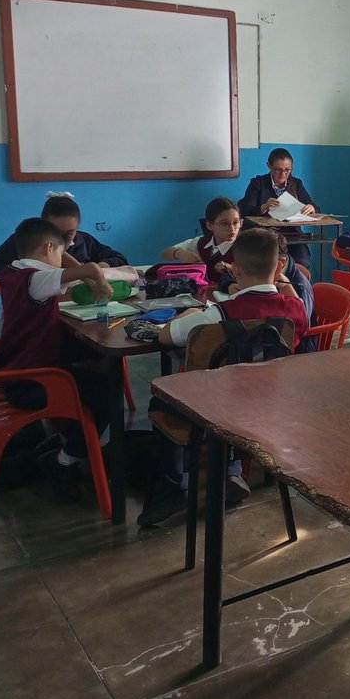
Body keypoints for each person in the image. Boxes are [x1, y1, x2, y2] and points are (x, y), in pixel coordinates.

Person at [140, 229, 309, 526]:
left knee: (161, 398)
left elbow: (166, 337)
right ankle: (230, 470)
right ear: (280, 266)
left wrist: (185, 316)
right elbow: (302, 319)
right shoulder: (294, 309)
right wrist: (284, 284)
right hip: (275, 406)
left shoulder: (217, 313)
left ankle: (173, 487)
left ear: (236, 269)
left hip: (217, 411)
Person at [0, 217, 115, 500]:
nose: (62, 259)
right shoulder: (38, 278)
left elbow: (66, 266)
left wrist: (64, 254)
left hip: (17, 371)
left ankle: (62, 441)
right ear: (48, 247)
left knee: (96, 378)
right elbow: (91, 267)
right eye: (59, 252)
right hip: (30, 381)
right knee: (108, 395)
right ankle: (64, 460)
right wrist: (99, 283)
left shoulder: (13, 271)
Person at [0, 194, 127, 283]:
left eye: (69, 233)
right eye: (55, 232)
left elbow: (118, 258)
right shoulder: (24, 240)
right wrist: (25, 270)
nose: (60, 240)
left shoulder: (85, 241)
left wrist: (100, 266)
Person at [218, 233, 316, 352]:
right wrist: (230, 285)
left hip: (294, 355)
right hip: (278, 359)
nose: (254, 267)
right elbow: (299, 314)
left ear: (281, 263)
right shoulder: (263, 272)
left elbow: (303, 326)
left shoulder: (300, 287)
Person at [238, 148, 317, 271]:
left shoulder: (296, 183)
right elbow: (245, 210)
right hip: (265, 234)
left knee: (302, 262)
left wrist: (311, 208)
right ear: (269, 166)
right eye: (278, 170)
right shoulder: (258, 183)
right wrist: (263, 207)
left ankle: (297, 288)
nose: (283, 174)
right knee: (269, 264)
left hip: (291, 234)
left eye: (287, 170)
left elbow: (315, 207)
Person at [160, 196, 241, 279]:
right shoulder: (202, 242)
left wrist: (231, 268)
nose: (232, 228)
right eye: (224, 224)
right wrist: (181, 254)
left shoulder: (244, 246)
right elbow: (165, 253)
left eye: (235, 222)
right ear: (209, 225)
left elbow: (254, 275)